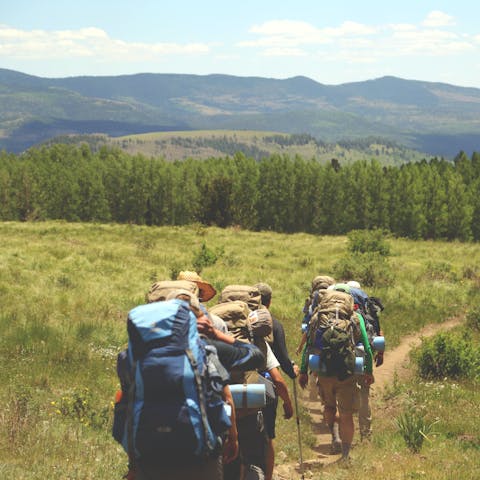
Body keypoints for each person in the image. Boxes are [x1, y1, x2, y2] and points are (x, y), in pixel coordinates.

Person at [116, 286, 266, 480]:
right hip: (199, 458)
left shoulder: (131, 358)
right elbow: (256, 357)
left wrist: (134, 463)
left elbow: (126, 404)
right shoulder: (206, 350)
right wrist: (217, 334)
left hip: (150, 457)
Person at [298, 288, 374, 461]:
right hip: (347, 372)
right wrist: (368, 371)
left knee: (329, 407)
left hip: (324, 371)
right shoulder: (355, 317)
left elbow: (308, 347)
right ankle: (345, 456)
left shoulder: (318, 317)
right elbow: (367, 348)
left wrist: (303, 371)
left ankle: (334, 437)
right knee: (346, 414)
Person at [254, 283, 297, 480]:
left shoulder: (239, 324)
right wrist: (294, 373)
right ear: (269, 301)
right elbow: (282, 359)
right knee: (267, 436)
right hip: (266, 388)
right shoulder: (273, 324)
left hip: (235, 387)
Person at [346, 280, 385, 441]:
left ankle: (340, 436)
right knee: (364, 395)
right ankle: (365, 434)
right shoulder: (364, 314)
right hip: (361, 360)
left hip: (342, 362)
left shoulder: (335, 315)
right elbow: (377, 336)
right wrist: (379, 356)